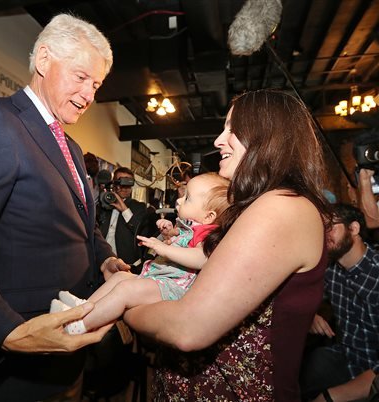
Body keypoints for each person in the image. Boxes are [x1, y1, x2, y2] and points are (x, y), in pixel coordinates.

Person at [0, 14, 129, 402]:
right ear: (44, 60)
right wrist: (7, 333)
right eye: (81, 77)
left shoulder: (73, 148)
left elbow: (83, 225)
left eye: (96, 84)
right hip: (11, 368)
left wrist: (104, 258)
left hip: (64, 358)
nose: (89, 94)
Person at [123, 89, 332, 401]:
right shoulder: (264, 206)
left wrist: (126, 305)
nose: (219, 140)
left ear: (268, 134)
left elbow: (188, 328)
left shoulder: (284, 206)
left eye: (232, 129)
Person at [51, 172, 230, 334]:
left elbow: (201, 258)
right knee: (120, 277)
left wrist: (165, 248)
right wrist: (169, 232)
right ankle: (82, 309)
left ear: (208, 216)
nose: (179, 200)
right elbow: (181, 240)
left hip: (173, 288)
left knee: (126, 289)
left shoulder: (208, 234)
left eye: (187, 198)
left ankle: (80, 325)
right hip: (158, 278)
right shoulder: (186, 228)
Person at [300, 203, 379, 402]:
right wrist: (311, 315)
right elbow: (302, 296)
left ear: (354, 229)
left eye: (330, 227)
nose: (323, 234)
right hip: (346, 357)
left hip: (373, 374)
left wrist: (330, 397)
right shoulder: (331, 270)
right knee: (310, 365)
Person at [97, 167, 148, 265]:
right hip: (102, 260)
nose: (124, 187)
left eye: (128, 183)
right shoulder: (104, 204)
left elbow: (140, 232)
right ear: (114, 183)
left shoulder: (139, 207)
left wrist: (124, 209)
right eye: (121, 181)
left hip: (126, 263)